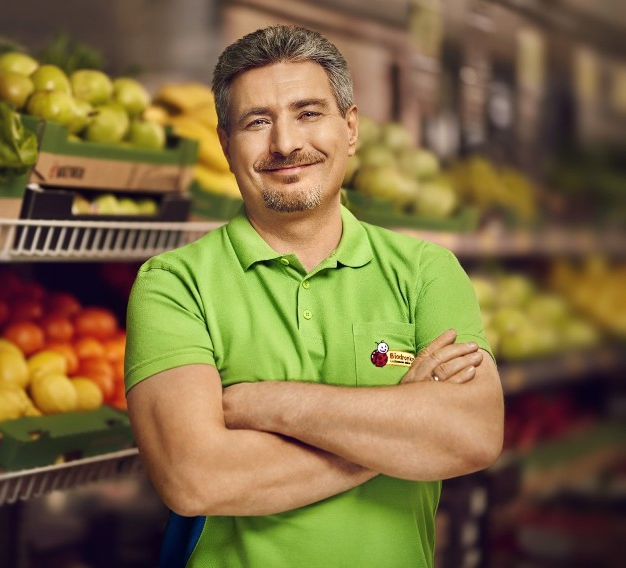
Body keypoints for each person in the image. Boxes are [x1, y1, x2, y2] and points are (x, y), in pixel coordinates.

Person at [124, 25, 504, 568]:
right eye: (257, 122)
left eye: (308, 113)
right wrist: (401, 435)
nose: (285, 144)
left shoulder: (426, 271)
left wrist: (266, 403)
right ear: (226, 143)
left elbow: (474, 434)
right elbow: (195, 477)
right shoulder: (173, 283)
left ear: (349, 128)